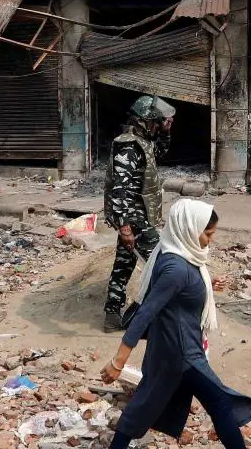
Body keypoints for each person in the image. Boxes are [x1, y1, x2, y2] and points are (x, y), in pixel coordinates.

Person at [100, 199, 251, 449]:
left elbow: (182, 292)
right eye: (208, 234)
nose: (211, 239)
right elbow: (145, 313)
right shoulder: (176, 268)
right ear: (189, 229)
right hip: (183, 354)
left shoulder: (173, 252)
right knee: (219, 402)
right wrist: (118, 361)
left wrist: (207, 286)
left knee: (146, 403)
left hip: (170, 348)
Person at [103, 96, 174, 332]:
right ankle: (162, 314)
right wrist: (125, 227)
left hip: (137, 213)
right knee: (161, 261)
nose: (157, 126)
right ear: (145, 121)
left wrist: (165, 132)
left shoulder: (142, 142)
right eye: (156, 123)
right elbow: (120, 189)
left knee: (125, 262)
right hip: (133, 215)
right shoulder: (128, 145)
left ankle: (112, 314)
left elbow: (160, 154)